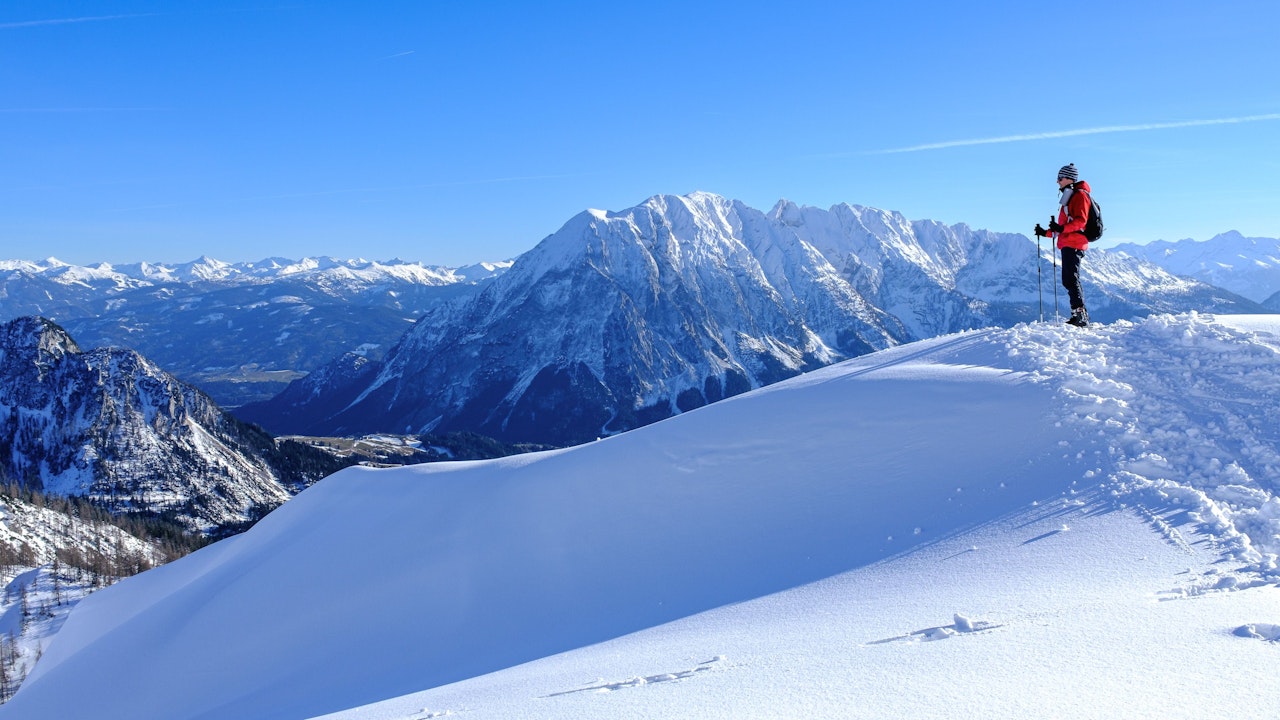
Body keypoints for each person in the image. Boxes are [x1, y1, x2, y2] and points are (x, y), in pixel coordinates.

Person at [1035, 163, 1091, 327]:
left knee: (1071, 278)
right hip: (1068, 242)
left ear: (1069, 178)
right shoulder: (1069, 196)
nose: (1057, 181)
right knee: (1068, 279)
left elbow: (1081, 221)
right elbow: (1063, 227)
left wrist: (1061, 228)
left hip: (1075, 243)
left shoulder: (1080, 196)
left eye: (1060, 178)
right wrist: (1045, 232)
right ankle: (1077, 314)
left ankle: (1080, 315)